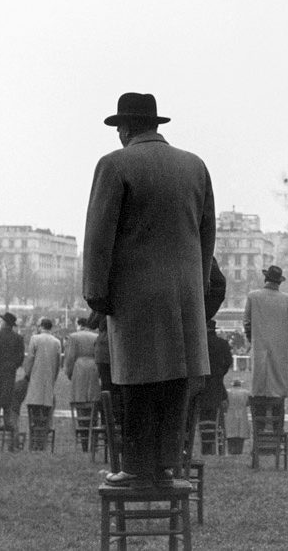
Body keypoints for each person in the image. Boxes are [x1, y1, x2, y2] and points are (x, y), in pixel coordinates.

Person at [83, 92, 215, 487]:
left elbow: (99, 235)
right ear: (156, 125)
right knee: (176, 381)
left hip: (136, 296)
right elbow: (207, 234)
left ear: (124, 128)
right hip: (185, 296)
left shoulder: (114, 165)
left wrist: (96, 293)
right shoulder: (196, 166)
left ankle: (137, 468)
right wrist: (199, 287)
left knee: (137, 382)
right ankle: (167, 466)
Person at [244, 265, 288, 423]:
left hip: (259, 355)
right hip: (279, 357)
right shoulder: (287, 300)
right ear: (279, 282)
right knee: (278, 399)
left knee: (258, 397)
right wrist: (284, 342)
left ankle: (259, 436)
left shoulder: (253, 297)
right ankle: (277, 433)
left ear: (265, 279)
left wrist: (254, 340)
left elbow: (247, 323)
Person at [192, 257, 233, 456]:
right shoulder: (222, 344)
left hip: (199, 381)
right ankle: (211, 446)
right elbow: (228, 363)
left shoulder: (197, 341)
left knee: (199, 413)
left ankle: (201, 444)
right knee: (212, 414)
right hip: (216, 383)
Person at [23, 318, 63, 451]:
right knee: (46, 415)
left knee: (34, 414)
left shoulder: (35, 339)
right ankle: (43, 443)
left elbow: (30, 359)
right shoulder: (57, 342)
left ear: (41, 326)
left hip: (35, 380)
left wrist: (28, 374)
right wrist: (53, 378)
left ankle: (35, 442)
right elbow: (58, 364)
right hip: (49, 382)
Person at [0, 311, 25, 447]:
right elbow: (20, 358)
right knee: (7, 401)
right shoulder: (18, 339)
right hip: (9, 374)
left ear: (3, 323)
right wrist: (12, 365)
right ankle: (8, 425)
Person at [64, 314, 101, 452]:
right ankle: (94, 442)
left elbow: (69, 358)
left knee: (81, 407)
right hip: (94, 370)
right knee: (93, 406)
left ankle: (84, 442)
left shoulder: (74, 337)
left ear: (79, 324)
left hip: (79, 370)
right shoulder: (95, 336)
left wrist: (69, 373)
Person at [224, 378, 251, 456]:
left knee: (230, 433)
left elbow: (225, 403)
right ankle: (239, 450)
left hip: (231, 413)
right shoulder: (246, 392)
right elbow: (248, 403)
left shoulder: (228, 392)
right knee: (241, 432)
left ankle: (231, 450)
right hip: (242, 414)